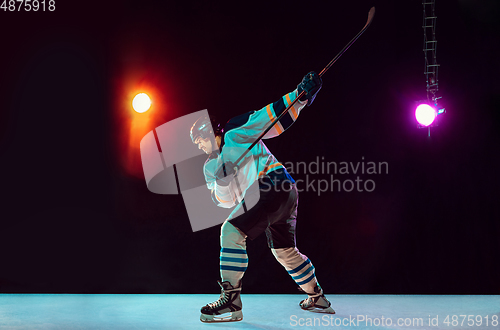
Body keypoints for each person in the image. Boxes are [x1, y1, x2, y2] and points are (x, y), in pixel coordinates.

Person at [191, 72, 335, 323]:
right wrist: (224, 182)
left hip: (273, 184)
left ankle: (231, 301)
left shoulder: (234, 131)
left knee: (231, 232)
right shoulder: (210, 168)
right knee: (284, 251)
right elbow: (222, 201)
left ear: (208, 133)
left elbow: (269, 118)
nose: (200, 147)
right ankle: (317, 297)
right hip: (283, 193)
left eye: (199, 141)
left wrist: (300, 96)